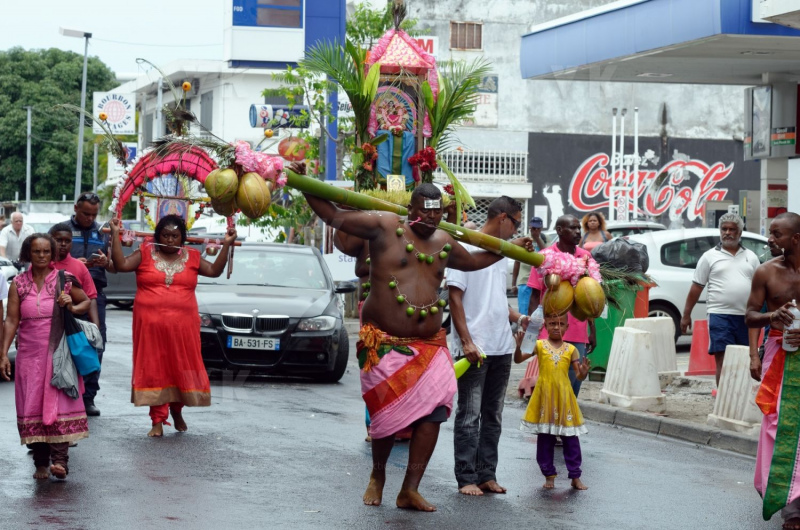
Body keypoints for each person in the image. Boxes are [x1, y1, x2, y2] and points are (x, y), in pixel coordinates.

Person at [303, 182, 533, 512]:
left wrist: (509, 249)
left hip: (430, 345)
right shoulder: (384, 226)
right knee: (386, 420)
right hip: (383, 343)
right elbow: (334, 215)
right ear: (411, 210)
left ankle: (409, 489)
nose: (430, 218)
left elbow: (471, 261)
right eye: (424, 211)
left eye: (437, 212)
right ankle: (378, 475)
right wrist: (302, 184)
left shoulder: (443, 240)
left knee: (435, 412)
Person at [108, 214, 237, 437]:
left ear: (182, 238)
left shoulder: (194, 257)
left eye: (175, 236)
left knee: (179, 366)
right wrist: (115, 235)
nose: (169, 240)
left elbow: (215, 271)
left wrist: (226, 245)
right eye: (165, 235)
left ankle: (177, 410)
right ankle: (157, 420)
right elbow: (121, 265)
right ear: (157, 236)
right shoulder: (146, 253)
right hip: (149, 326)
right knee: (155, 368)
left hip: (183, 326)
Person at [447, 196, 529, 496]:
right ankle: (466, 478)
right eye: (516, 222)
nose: (515, 229)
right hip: (475, 349)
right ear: (504, 218)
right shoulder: (466, 248)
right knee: (470, 415)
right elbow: (454, 297)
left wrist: (518, 318)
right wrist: (466, 341)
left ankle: (487, 474)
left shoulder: (502, 253)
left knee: (493, 415)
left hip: (501, 345)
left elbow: (494, 298)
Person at [0, 233, 92, 480]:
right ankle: (40, 463)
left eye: (46, 252)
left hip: (59, 352)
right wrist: (2, 354)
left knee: (59, 403)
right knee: (32, 406)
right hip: (29, 355)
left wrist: (70, 305)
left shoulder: (64, 279)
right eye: (36, 252)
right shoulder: (18, 283)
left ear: (53, 255)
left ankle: (60, 461)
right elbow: (11, 320)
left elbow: (86, 303)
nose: (41, 256)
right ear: (28, 253)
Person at [745, 212, 800, 526]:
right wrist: (773, 316)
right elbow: (750, 315)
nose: (769, 239)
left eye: (776, 234)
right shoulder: (765, 272)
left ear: (794, 238)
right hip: (778, 354)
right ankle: (788, 502)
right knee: (776, 422)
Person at [681, 213, 759, 385]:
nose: (727, 233)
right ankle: (723, 401)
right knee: (723, 360)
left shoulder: (751, 257)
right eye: (724, 229)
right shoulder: (709, 257)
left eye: (732, 229)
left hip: (746, 317)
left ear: (740, 233)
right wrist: (686, 314)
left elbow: (759, 289)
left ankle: (739, 401)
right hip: (719, 315)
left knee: (744, 360)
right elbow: (696, 287)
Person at [515, 313, 589, 490]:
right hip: (545, 399)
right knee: (545, 438)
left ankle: (575, 476)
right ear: (545, 326)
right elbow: (518, 360)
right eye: (552, 323)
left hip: (565, 400)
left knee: (571, 438)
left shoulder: (572, 350)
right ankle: (549, 475)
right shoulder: (540, 346)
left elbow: (578, 374)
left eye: (561, 324)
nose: (557, 327)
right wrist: (518, 348)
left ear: (567, 327)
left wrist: (584, 373)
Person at [527, 215, 597, 397]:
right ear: (559, 230)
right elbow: (535, 295)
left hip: (577, 333)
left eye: (578, 229)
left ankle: (566, 425)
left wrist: (592, 330)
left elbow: (590, 297)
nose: (577, 232)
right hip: (549, 333)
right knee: (550, 388)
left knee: (573, 389)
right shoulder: (544, 257)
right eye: (572, 228)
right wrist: (531, 330)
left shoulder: (586, 257)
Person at [68, 192, 114, 416]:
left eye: (94, 214)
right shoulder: (61, 231)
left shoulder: (103, 232)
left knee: (96, 343)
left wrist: (107, 262)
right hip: (66, 293)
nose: (89, 218)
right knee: (65, 344)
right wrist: (73, 264)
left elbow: (115, 266)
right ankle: (67, 394)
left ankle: (88, 398)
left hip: (96, 295)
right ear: (76, 208)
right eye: (86, 213)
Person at [49, 223, 101, 334]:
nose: (63, 244)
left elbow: (91, 298)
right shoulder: (42, 265)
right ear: (50, 240)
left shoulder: (79, 266)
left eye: (67, 241)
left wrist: (95, 328)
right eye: (59, 240)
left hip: (72, 327)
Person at [512, 216, 547, 315]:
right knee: (524, 312)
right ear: (529, 227)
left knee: (539, 314)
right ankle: (523, 330)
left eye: (538, 228)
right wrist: (514, 284)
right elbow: (517, 263)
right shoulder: (523, 240)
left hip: (541, 283)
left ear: (541, 228)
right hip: (525, 282)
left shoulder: (545, 239)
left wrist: (537, 238)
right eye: (533, 228)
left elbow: (547, 255)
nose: (535, 230)